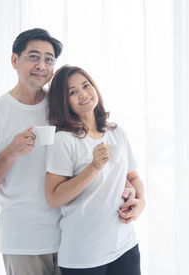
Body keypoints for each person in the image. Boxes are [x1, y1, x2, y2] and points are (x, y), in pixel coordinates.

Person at [0, 29, 137, 275]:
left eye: (49, 59)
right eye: (33, 57)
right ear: (14, 60)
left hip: (74, 239)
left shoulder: (65, 105)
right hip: (26, 243)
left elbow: (95, 147)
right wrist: (10, 153)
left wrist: (127, 185)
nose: (42, 65)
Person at [45, 65, 146, 275]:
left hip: (125, 246)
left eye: (86, 85)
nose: (83, 94)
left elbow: (134, 177)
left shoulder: (116, 131)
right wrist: (93, 168)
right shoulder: (64, 140)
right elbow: (54, 197)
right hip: (83, 256)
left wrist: (140, 202)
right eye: (72, 92)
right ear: (63, 102)